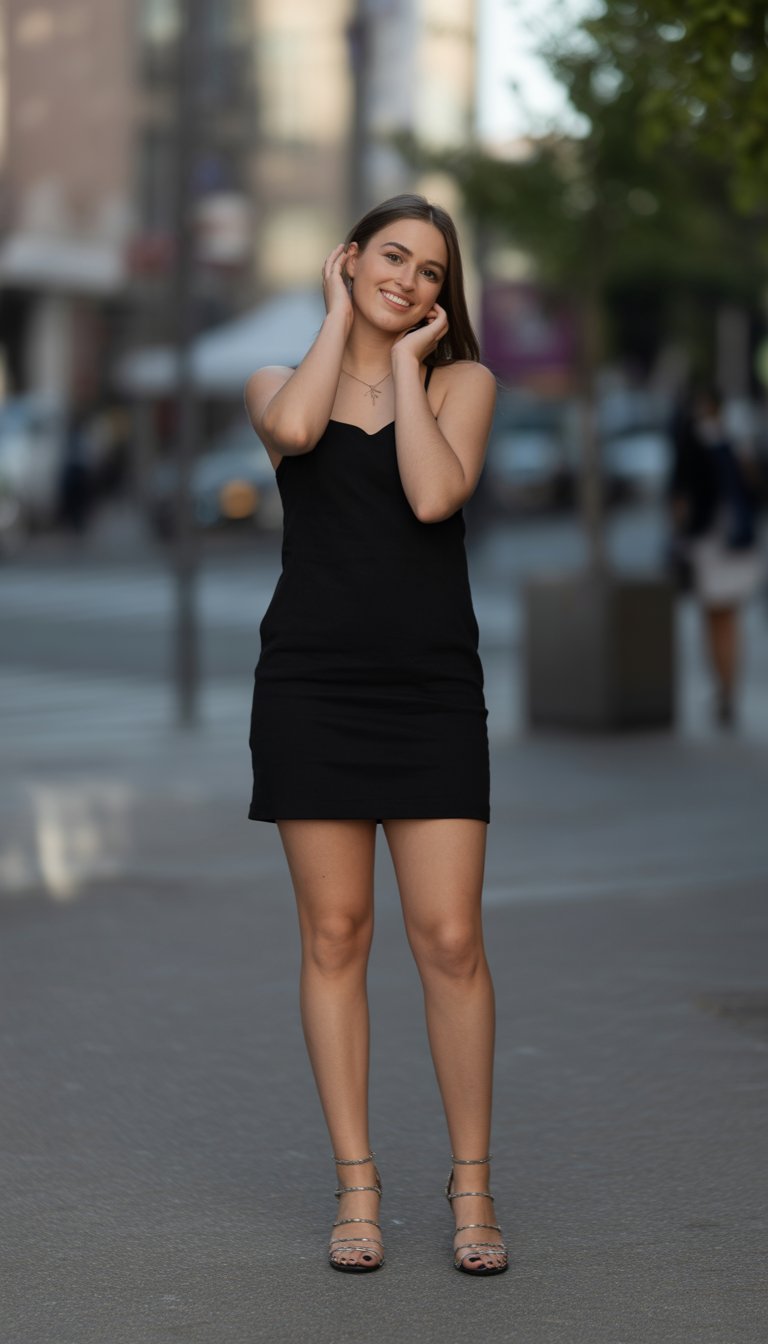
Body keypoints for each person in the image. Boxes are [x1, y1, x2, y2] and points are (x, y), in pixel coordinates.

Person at [244, 195, 506, 1275]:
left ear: (447, 298)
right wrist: (335, 325)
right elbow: (298, 433)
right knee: (335, 934)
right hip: (311, 686)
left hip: (432, 689)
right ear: (348, 260)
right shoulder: (275, 380)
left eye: (433, 273)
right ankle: (357, 1186)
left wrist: (404, 362)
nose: (411, 280)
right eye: (392, 257)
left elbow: (434, 495)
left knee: (448, 939)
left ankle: (471, 1190)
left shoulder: (463, 384)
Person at [669, 385, 764, 727]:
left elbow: (680, 495)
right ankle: (728, 687)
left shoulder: (692, 440)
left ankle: (724, 688)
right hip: (737, 542)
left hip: (710, 542)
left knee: (715, 618)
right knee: (729, 619)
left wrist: (676, 536)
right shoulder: (738, 440)